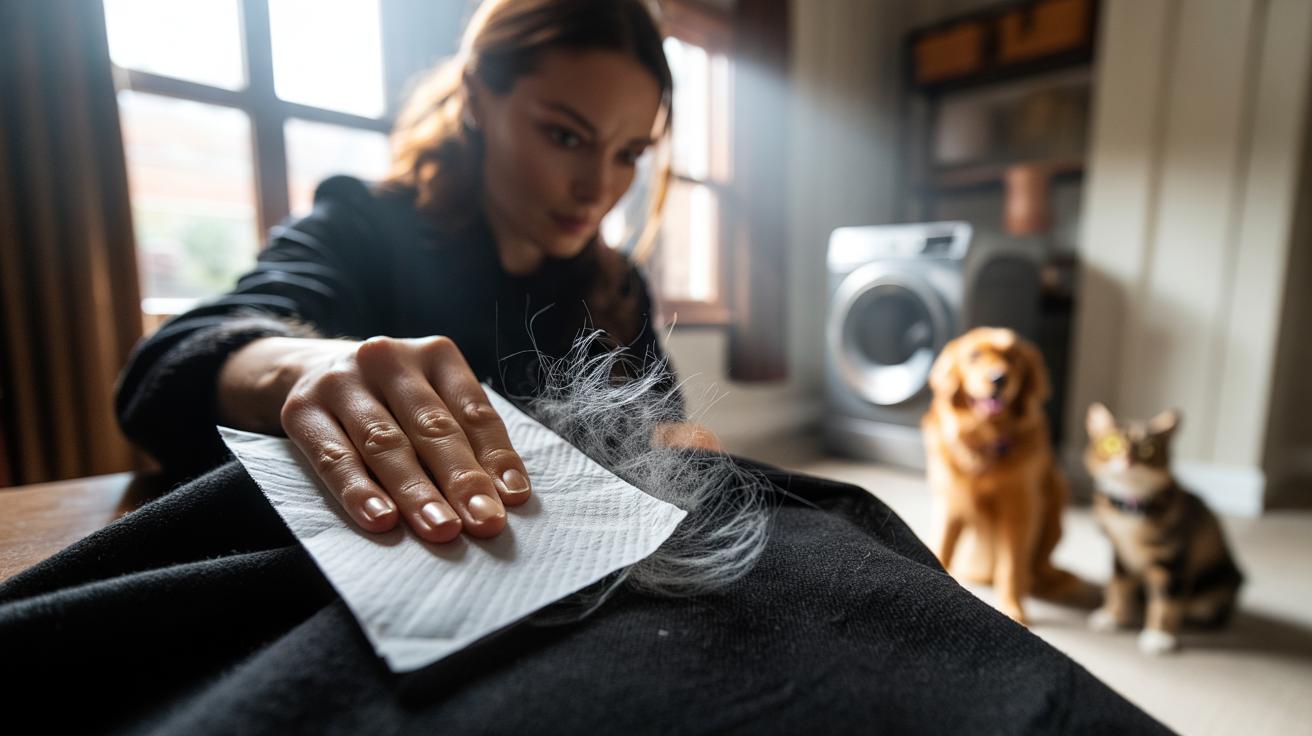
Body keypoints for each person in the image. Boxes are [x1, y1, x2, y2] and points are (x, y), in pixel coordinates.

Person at [115, 0, 711, 546]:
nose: (599, 187)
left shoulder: (615, 284)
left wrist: (673, 445)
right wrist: (311, 370)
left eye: (628, 153)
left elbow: (661, 425)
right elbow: (164, 371)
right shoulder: (365, 227)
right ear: (478, 98)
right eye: (565, 135)